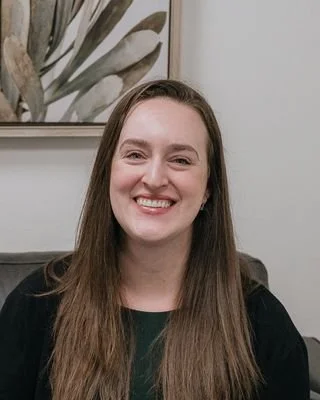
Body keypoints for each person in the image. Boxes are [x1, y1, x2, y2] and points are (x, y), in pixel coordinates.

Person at [0, 79, 309, 400]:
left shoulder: (264, 325)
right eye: (135, 154)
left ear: (208, 188)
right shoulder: (34, 304)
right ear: (108, 172)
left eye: (181, 160)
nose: (154, 178)